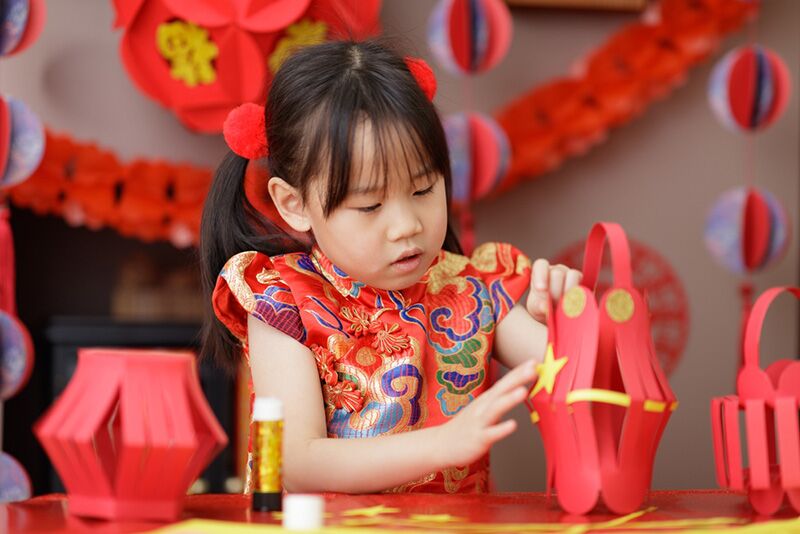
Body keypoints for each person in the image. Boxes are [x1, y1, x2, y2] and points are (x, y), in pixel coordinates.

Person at [200, 39, 582, 494]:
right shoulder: (285, 303)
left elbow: (579, 377)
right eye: (370, 205)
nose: (405, 225)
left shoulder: (470, 288)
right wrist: (443, 445)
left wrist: (563, 322)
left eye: (423, 190)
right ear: (295, 204)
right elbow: (295, 461)